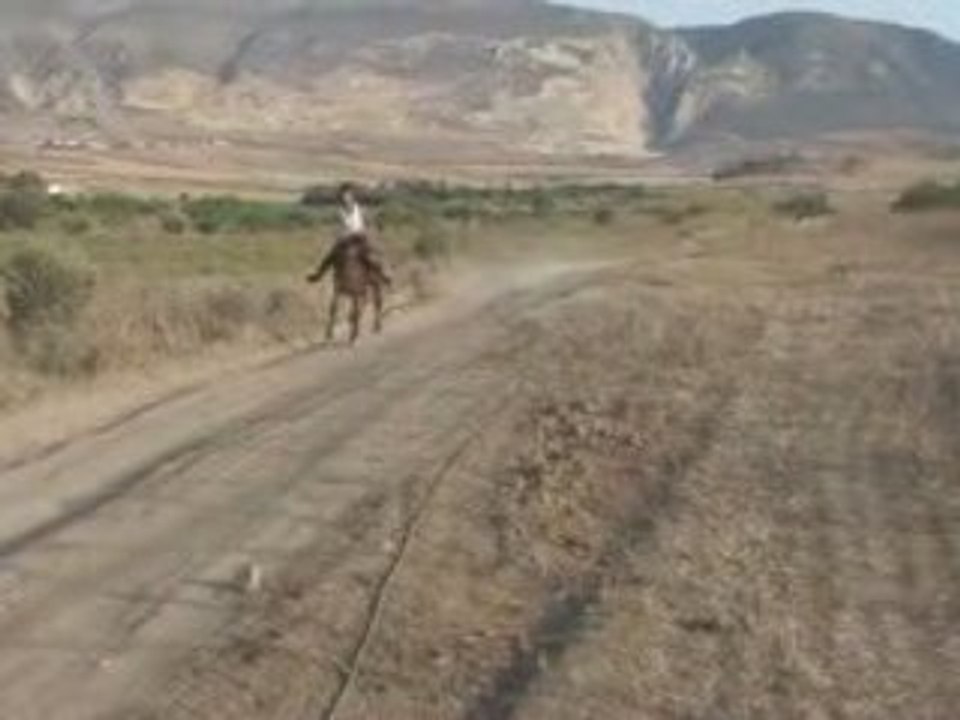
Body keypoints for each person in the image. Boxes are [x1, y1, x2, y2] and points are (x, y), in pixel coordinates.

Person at [307, 183, 391, 286]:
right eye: (344, 196)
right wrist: (338, 232)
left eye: (348, 196)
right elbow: (337, 225)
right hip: (345, 238)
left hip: (360, 236)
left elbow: (369, 219)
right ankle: (318, 274)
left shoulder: (360, 209)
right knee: (331, 254)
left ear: (352, 196)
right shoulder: (339, 211)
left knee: (373, 254)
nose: (346, 198)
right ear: (341, 198)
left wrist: (374, 225)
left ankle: (384, 275)